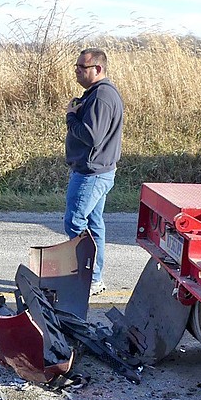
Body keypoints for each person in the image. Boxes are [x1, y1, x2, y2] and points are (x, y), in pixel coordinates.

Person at [64, 47, 123, 296]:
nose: (76, 71)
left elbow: (92, 136)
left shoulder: (101, 96)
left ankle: (85, 277)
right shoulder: (96, 94)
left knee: (75, 222)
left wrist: (70, 117)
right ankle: (94, 277)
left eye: (82, 67)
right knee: (93, 223)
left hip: (91, 172)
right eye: (76, 66)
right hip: (98, 170)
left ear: (97, 69)